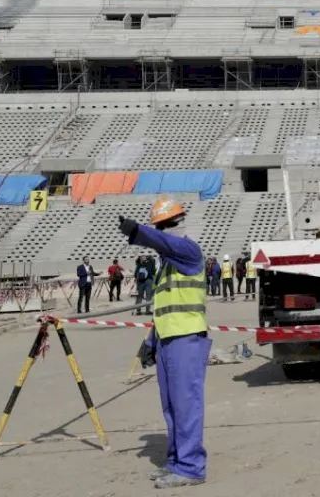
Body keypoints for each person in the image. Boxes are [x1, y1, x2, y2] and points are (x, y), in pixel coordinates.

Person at [119, 196, 210, 490]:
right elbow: (165, 308)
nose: (165, 233)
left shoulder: (188, 250)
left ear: (175, 224)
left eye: (165, 226)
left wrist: (140, 232)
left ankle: (192, 467)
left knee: (186, 405)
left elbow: (166, 244)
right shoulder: (167, 267)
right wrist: (150, 342)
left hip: (187, 339)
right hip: (168, 341)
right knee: (171, 407)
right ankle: (175, 462)